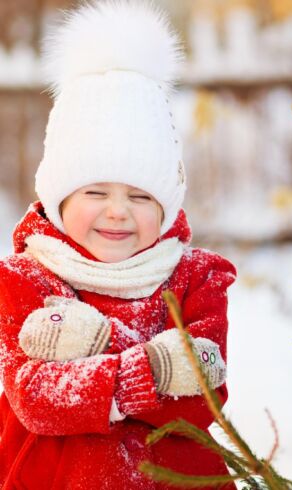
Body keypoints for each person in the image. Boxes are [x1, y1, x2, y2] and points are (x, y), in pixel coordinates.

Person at [0, 1, 237, 489]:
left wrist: (99, 347)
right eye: (95, 192)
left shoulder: (197, 277)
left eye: (140, 196)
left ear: (167, 206)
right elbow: (35, 397)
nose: (117, 211)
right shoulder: (25, 278)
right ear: (59, 197)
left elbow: (203, 395)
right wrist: (157, 365)